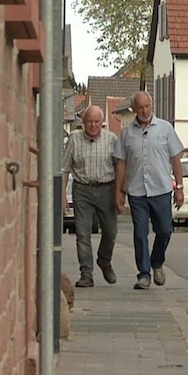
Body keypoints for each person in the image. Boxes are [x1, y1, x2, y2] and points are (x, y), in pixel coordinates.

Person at [113, 91, 185, 290]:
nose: (145, 111)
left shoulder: (165, 128)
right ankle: (143, 274)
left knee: (164, 230)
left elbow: (176, 159)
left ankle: (157, 262)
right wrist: (118, 191)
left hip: (161, 188)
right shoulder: (127, 133)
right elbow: (121, 163)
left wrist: (179, 187)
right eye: (140, 108)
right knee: (140, 234)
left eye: (147, 107)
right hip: (137, 192)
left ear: (151, 106)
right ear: (134, 110)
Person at [61, 105, 119, 288]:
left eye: (96, 121)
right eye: (89, 121)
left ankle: (104, 260)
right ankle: (86, 273)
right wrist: (62, 194)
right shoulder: (74, 139)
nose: (93, 125)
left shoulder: (112, 140)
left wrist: (120, 191)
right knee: (82, 233)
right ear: (83, 122)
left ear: (102, 123)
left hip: (107, 188)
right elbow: (65, 169)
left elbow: (120, 167)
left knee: (110, 232)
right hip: (82, 189)